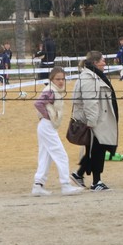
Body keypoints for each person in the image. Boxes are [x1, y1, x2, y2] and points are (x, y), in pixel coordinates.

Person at [70, 51, 118, 192]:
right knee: (97, 150)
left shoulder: (95, 75)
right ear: (96, 63)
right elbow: (90, 102)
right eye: (103, 60)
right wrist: (91, 123)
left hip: (98, 120)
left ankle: (79, 174)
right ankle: (96, 182)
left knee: (97, 149)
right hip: (94, 121)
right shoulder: (88, 78)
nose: (104, 63)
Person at [31, 67, 81, 196]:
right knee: (61, 155)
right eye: (58, 79)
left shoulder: (54, 91)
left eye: (63, 79)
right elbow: (38, 103)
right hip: (46, 126)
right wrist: (47, 116)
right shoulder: (50, 91)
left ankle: (38, 185)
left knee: (45, 156)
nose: (61, 81)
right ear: (51, 79)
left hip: (46, 126)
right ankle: (65, 185)